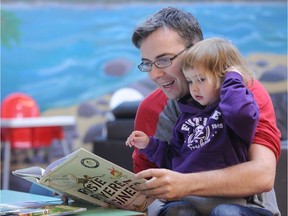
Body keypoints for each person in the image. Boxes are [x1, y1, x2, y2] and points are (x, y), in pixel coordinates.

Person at [131, 7, 281, 216]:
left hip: (246, 208)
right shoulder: (150, 109)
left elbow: (262, 176)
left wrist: (185, 183)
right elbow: (145, 188)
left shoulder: (246, 92)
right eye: (148, 63)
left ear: (195, 50)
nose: (155, 74)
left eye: (164, 59)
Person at [126, 37, 260, 176]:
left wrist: (232, 77)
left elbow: (241, 115)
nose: (194, 88)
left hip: (223, 193)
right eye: (190, 81)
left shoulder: (234, 109)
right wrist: (149, 145)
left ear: (224, 77)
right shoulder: (186, 116)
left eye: (201, 79)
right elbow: (174, 159)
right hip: (185, 191)